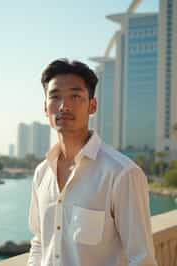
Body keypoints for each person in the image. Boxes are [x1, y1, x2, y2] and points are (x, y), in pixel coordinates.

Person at [27, 59, 157, 266]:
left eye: (75, 96)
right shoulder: (42, 173)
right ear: (45, 108)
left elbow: (142, 259)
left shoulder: (122, 173)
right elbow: (40, 242)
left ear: (92, 105)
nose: (64, 106)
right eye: (55, 96)